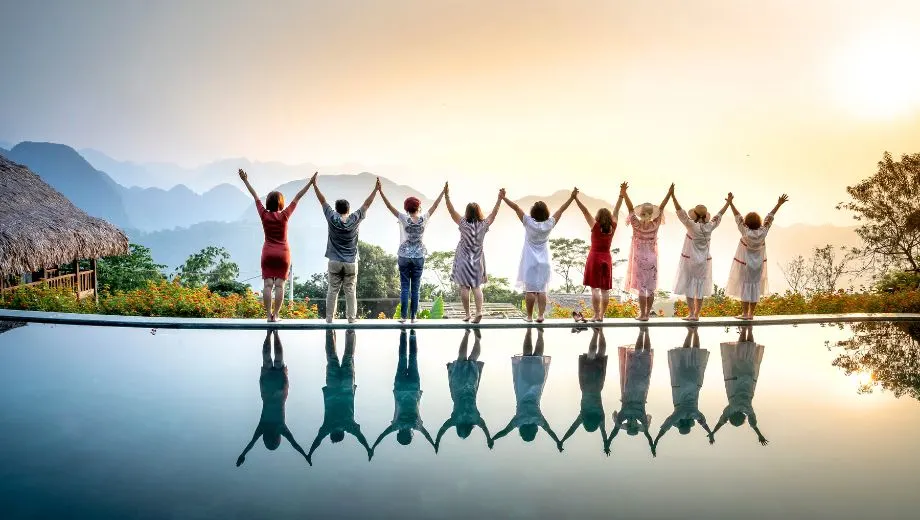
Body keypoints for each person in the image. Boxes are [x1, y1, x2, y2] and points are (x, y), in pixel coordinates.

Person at [238, 169, 313, 322]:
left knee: (268, 284)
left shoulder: (264, 214)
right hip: (283, 253)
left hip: (268, 252)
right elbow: (298, 197)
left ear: (268, 203)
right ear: (280, 203)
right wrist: (310, 183)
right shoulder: (285, 215)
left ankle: (268, 316)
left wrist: (245, 180)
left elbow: (255, 196)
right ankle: (276, 315)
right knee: (279, 285)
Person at [312, 173, 380, 323]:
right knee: (350, 291)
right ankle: (351, 318)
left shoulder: (332, 217)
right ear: (348, 209)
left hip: (334, 261)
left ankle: (329, 319)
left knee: (332, 290)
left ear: (336, 209)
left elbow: (322, 200)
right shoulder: (355, 218)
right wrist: (376, 190)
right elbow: (366, 204)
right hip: (350, 262)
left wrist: (314, 185)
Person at [502, 188, 578, 323]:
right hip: (544, 262)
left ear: (533, 213)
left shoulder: (528, 222)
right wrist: (572, 198)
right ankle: (541, 315)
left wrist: (503, 197)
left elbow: (516, 208)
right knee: (542, 290)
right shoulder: (549, 224)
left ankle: (530, 316)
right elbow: (561, 210)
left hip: (529, 261)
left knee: (530, 290)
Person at [236, 330, 309, 466]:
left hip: (277, 391)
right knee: (270, 359)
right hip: (269, 390)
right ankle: (272, 333)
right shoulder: (270, 428)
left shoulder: (273, 428)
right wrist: (243, 454)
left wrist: (305, 455)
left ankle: (273, 333)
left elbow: (293, 443)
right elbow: (252, 443)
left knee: (275, 359)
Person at [378, 183, 445, 323]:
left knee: (404, 288)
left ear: (406, 208)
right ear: (418, 207)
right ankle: (413, 317)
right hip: (419, 256)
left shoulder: (403, 218)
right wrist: (444, 193)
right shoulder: (424, 218)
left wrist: (380, 192)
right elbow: (435, 205)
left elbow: (389, 206)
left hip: (403, 256)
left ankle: (403, 317)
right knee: (415, 288)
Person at [305, 330, 372, 465]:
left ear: (343, 433)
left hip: (347, 386)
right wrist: (309, 454)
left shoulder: (349, 426)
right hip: (333, 385)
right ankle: (330, 330)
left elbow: (360, 437)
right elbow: (318, 440)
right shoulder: (328, 427)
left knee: (348, 356)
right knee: (331, 357)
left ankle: (350, 330)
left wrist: (368, 448)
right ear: (332, 433)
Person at [492, 328, 562, 449]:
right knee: (527, 355)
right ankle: (529, 331)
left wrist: (558, 441)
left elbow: (549, 431)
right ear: (522, 432)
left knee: (538, 355)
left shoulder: (538, 420)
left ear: (535, 431)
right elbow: (505, 431)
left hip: (537, 384)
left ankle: (540, 334)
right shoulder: (518, 421)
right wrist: (492, 439)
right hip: (523, 384)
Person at [444, 184, 505, 323]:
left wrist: (446, 195)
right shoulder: (484, 224)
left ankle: (467, 314)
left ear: (467, 212)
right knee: (476, 287)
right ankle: (479, 312)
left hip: (463, 259)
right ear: (478, 212)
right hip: (477, 259)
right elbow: (494, 213)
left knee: (464, 287)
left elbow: (451, 210)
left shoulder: (463, 223)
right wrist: (499, 199)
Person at [726, 194, 789, 319]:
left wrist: (730, 203)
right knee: (754, 287)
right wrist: (779, 204)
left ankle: (744, 313)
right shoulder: (763, 232)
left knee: (745, 286)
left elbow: (737, 217)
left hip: (745, 265)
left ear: (747, 222)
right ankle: (751, 314)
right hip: (758, 266)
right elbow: (770, 218)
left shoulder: (745, 232)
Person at [671, 189, 732, 321]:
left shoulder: (691, 226)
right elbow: (719, 215)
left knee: (689, 286)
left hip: (690, 261)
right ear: (705, 216)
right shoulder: (710, 227)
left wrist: (673, 196)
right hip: (703, 262)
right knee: (699, 287)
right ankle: (697, 314)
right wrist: (728, 203)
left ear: (694, 215)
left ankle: (691, 313)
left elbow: (680, 212)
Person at [373, 330, 436, 452]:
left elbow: (427, 435)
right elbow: (382, 435)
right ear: (398, 434)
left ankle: (412, 333)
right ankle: (403, 333)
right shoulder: (396, 425)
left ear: (410, 435)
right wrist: (373, 448)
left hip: (413, 388)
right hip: (400, 387)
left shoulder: (416, 426)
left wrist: (434, 444)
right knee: (402, 358)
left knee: (413, 358)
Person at [653, 326, 714, 452]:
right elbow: (665, 427)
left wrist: (711, 433)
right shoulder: (677, 415)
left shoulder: (695, 414)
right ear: (680, 425)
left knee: (695, 355)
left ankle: (695, 331)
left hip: (694, 382)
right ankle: (690, 331)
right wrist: (656, 441)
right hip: (681, 382)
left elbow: (704, 424)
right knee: (682, 356)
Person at [573, 184, 625, 322]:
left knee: (595, 289)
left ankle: (596, 315)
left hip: (594, 257)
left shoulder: (595, 226)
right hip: (606, 257)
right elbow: (617, 209)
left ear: (598, 217)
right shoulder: (613, 226)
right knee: (605, 290)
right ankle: (601, 316)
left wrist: (575, 198)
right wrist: (622, 194)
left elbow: (585, 211)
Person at [435, 329, 492, 451]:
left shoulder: (475, 420)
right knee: (461, 359)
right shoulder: (454, 421)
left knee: (472, 359)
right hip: (458, 386)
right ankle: (467, 333)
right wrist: (437, 442)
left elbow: (485, 428)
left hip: (470, 386)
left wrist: (488, 439)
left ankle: (477, 339)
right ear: (458, 428)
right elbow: (442, 430)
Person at [622, 183, 673, 321]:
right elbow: (661, 208)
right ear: (652, 214)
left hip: (639, 259)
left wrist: (624, 193)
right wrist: (669, 193)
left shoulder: (636, 225)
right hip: (652, 259)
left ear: (641, 213)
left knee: (641, 288)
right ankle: (647, 314)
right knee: (650, 288)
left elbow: (630, 208)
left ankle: (642, 314)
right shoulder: (655, 225)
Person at [712, 326, 768, 445]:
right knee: (739, 352)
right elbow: (722, 421)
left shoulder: (748, 409)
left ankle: (749, 330)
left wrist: (760, 435)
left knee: (750, 354)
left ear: (743, 418)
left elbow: (753, 424)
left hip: (749, 376)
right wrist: (713, 433)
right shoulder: (731, 407)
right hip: (736, 376)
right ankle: (743, 330)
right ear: (732, 416)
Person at [560, 327, 610, 455]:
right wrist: (562, 441)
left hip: (598, 385)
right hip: (586, 385)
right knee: (591, 356)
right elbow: (573, 429)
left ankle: (601, 332)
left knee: (600, 355)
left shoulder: (600, 418)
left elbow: (603, 433)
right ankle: (595, 333)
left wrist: (606, 444)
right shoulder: (583, 416)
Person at [607, 326, 656, 456]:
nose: (633, 425)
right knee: (646, 357)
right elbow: (646, 433)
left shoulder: (623, 416)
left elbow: (615, 430)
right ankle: (646, 331)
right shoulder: (641, 419)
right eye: (635, 427)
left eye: (630, 427)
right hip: (642, 387)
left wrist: (608, 442)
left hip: (631, 386)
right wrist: (652, 446)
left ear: (628, 425)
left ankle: (642, 331)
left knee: (636, 356)